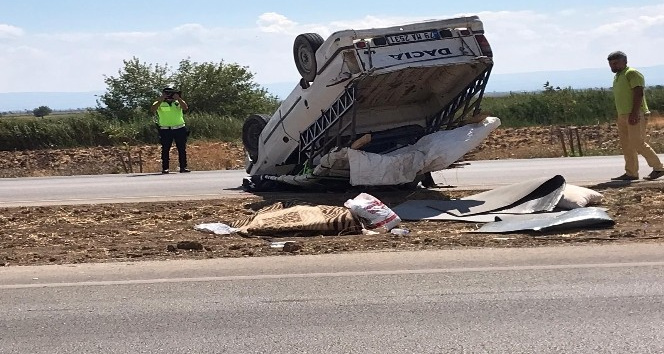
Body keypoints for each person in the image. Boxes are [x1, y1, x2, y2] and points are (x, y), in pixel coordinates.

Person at [607, 51, 664, 181]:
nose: (613, 66)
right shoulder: (618, 76)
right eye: (611, 64)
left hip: (635, 113)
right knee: (627, 144)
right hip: (623, 114)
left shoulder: (631, 73)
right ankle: (631, 173)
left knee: (637, 142)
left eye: (616, 63)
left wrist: (634, 113)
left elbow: (638, 93)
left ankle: (659, 167)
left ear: (625, 61)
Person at [150, 87, 191, 174]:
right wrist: (160, 100)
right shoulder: (159, 103)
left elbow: (185, 108)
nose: (169, 96)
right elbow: (153, 109)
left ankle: (183, 167)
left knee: (181, 149)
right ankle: (165, 168)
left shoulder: (177, 102)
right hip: (165, 130)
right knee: (165, 149)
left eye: (171, 94)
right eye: (167, 94)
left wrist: (179, 98)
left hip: (179, 128)